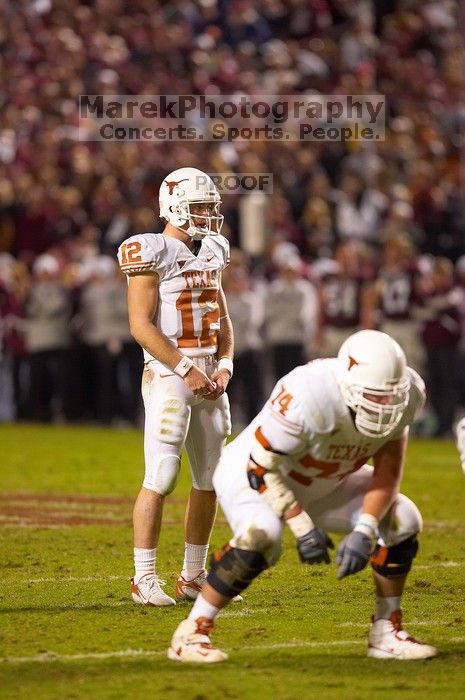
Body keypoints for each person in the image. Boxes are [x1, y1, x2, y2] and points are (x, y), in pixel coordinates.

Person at [168, 329, 437, 662]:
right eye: (374, 395)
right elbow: (261, 469)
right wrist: (302, 526)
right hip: (254, 472)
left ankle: (386, 631)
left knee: (403, 519)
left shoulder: (407, 394)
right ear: (349, 384)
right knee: (264, 536)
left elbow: (388, 472)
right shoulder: (309, 391)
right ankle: (192, 631)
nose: (384, 406)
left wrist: (366, 529)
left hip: (329, 480)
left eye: (389, 396)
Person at [117, 167, 234, 606]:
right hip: (169, 374)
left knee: (210, 479)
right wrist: (186, 368)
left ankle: (192, 575)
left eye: (210, 207)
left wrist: (224, 364)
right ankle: (143, 578)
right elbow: (140, 325)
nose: (207, 215)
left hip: (209, 376)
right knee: (162, 475)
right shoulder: (151, 249)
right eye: (199, 207)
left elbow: (223, 318)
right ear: (173, 205)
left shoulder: (215, 249)